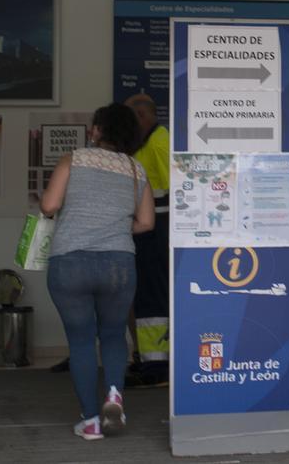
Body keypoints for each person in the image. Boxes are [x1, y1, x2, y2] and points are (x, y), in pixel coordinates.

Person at [40, 103, 154, 440]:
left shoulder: (72, 160)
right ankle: (115, 393)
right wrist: (113, 228)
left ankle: (90, 420)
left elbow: (49, 205)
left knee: (81, 342)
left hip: (70, 263)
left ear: (97, 130)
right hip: (118, 264)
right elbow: (146, 222)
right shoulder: (136, 170)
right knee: (114, 333)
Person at [123, 93, 171, 387]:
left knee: (153, 296)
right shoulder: (144, 143)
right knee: (144, 295)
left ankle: (158, 365)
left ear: (142, 116)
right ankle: (149, 359)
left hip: (157, 228)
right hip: (146, 227)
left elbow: (174, 188)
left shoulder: (158, 141)